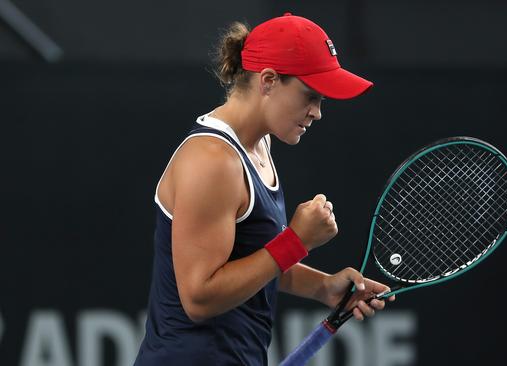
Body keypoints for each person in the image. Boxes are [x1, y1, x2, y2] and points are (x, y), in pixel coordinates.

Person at [134, 13, 394, 366]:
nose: (317, 112)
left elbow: (247, 261)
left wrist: (322, 287)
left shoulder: (260, 145)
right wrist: (296, 242)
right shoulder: (213, 160)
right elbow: (199, 299)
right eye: (310, 96)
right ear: (268, 81)